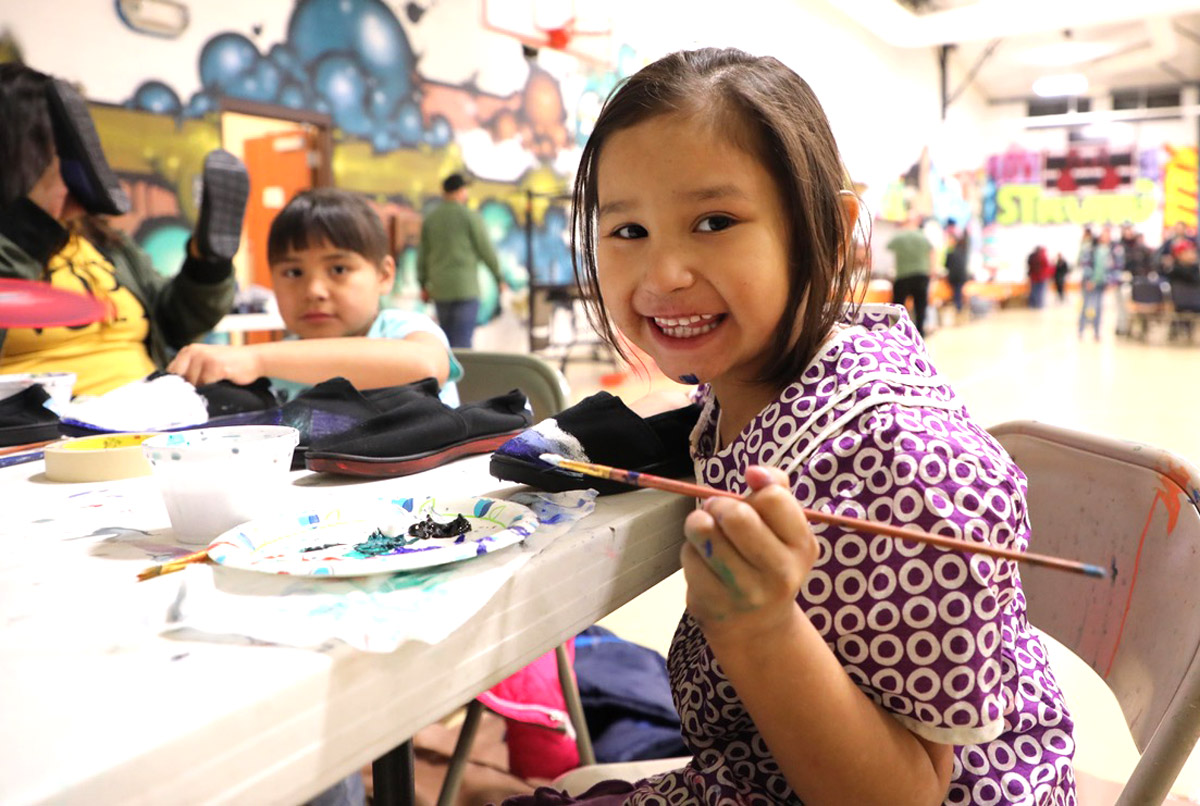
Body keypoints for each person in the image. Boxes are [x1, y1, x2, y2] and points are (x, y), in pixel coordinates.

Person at [504, 47, 1075, 805]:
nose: (665, 271)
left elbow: (906, 796)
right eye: (628, 231)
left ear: (831, 232)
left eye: (714, 221)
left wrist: (761, 628)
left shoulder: (905, 465)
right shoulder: (749, 382)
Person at [0, 62, 243, 397]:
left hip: (149, 409)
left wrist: (206, 265)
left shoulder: (104, 242)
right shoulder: (11, 246)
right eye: (57, 147)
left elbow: (177, 325)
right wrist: (31, 224)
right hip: (48, 430)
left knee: (253, 402)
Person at [168, 188, 461, 405]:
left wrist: (255, 357)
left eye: (338, 269)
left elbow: (425, 366)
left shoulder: (402, 330)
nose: (314, 291)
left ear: (384, 275)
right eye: (294, 273)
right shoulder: (284, 359)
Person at [416, 172, 505, 348]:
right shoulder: (470, 216)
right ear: (460, 191)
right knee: (463, 344)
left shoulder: (431, 219)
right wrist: (498, 278)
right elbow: (486, 250)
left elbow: (422, 256)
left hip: (440, 289)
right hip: (466, 290)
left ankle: (450, 376)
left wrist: (423, 284)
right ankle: (464, 376)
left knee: (447, 343)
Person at [887, 211, 935, 337]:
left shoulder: (899, 237)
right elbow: (932, 252)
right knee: (920, 307)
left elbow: (888, 247)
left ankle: (896, 333)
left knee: (898, 307)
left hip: (903, 276)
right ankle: (920, 335)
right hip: (921, 275)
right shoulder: (923, 236)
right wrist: (932, 270)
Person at [1079, 228, 1112, 340]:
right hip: (1089, 283)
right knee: (1086, 306)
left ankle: (1096, 332)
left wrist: (1109, 281)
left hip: (1101, 284)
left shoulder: (1109, 251)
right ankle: (1081, 330)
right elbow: (1085, 265)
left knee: (1099, 308)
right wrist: (1089, 280)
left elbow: (1109, 269)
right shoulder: (1091, 249)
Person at [943, 218, 970, 315]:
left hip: (955, 277)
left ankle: (958, 309)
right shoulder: (962, 251)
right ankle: (959, 309)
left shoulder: (950, 253)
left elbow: (946, 265)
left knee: (957, 293)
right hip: (961, 276)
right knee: (958, 292)